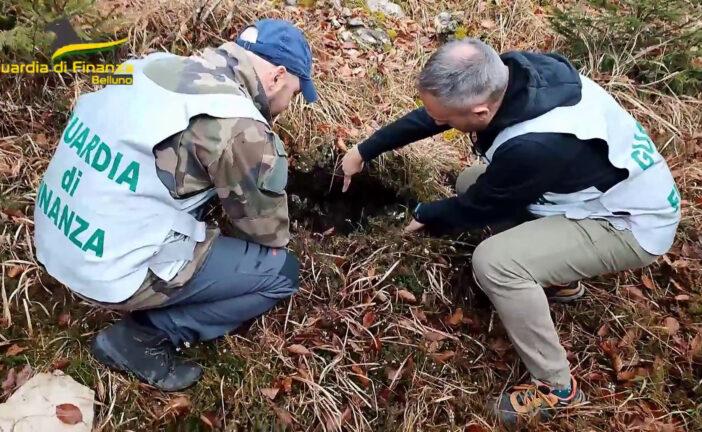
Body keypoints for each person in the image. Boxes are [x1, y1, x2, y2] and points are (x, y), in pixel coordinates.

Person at [341, 39, 680, 427]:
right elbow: (437, 117)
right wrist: (365, 150)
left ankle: (556, 387)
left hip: (629, 223)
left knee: (495, 263)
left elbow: (482, 208)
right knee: (472, 179)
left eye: (448, 122)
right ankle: (559, 282)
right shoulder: (511, 73)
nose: (440, 125)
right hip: (589, 192)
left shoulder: (537, 145)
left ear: (480, 110)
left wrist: (425, 214)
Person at [33, 19, 318, 391]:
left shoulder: (152, 65)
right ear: (277, 77)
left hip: (56, 231)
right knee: (281, 273)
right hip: (108, 268)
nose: (289, 104)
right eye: (295, 94)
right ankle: (143, 337)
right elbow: (268, 234)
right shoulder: (239, 126)